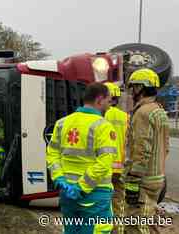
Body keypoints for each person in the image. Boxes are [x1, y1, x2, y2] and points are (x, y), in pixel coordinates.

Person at [46, 82, 117, 234]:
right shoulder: (103, 126)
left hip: (67, 194)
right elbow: (104, 164)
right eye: (108, 101)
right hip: (95, 195)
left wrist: (60, 180)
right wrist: (82, 187)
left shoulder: (62, 123)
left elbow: (52, 154)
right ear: (99, 99)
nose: (109, 106)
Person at [125, 68, 169, 234]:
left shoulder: (143, 112)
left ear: (140, 88)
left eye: (133, 87)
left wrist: (133, 182)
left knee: (136, 224)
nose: (132, 92)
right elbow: (165, 147)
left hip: (143, 179)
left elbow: (141, 150)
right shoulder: (159, 111)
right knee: (147, 219)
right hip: (157, 177)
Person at [104, 82, 129, 234]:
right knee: (119, 200)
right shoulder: (126, 117)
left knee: (101, 200)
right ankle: (118, 230)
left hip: (102, 167)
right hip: (120, 167)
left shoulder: (99, 114)